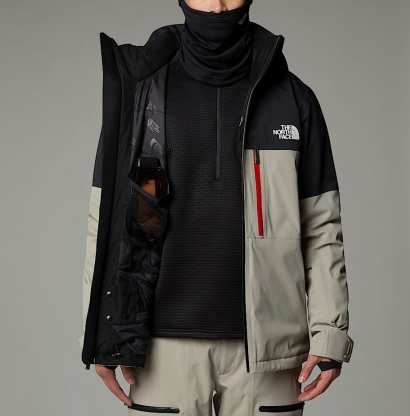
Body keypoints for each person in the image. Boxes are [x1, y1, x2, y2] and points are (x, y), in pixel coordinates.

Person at [80, 0, 354, 414]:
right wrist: (103, 332)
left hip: (270, 352)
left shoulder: (292, 100)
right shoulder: (143, 96)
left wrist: (330, 333)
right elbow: (110, 220)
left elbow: (321, 228)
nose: (218, 4)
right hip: (160, 348)